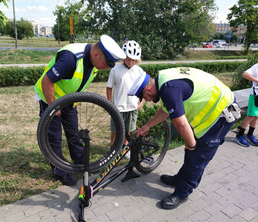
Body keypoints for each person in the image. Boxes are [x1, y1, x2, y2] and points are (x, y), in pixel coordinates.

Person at [128, 67, 240, 209]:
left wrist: (191, 144)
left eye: (145, 97)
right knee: (191, 149)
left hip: (222, 114)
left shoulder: (168, 89)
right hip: (216, 108)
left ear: (149, 90)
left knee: (198, 156)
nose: (147, 100)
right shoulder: (163, 81)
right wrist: (147, 126)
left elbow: (180, 124)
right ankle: (180, 178)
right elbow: (166, 109)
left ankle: (182, 193)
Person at [34, 35, 126, 186]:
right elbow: (47, 81)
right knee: (54, 137)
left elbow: (79, 80)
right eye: (106, 63)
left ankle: (81, 163)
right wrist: (53, 106)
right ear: (96, 54)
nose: (106, 68)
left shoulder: (94, 61)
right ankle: (60, 171)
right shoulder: (71, 58)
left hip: (69, 100)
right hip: (50, 96)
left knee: (74, 133)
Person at [106, 40, 144, 159]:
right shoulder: (115, 70)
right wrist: (109, 102)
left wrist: (141, 103)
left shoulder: (139, 71)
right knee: (115, 129)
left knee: (128, 131)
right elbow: (109, 87)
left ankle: (125, 148)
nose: (131, 62)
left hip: (132, 107)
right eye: (128, 59)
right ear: (124, 57)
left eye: (134, 60)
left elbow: (143, 88)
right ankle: (113, 148)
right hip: (118, 107)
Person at [236, 63, 258, 147]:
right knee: (251, 116)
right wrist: (257, 80)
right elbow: (245, 74)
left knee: (256, 116)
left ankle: (250, 134)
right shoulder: (257, 66)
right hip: (255, 95)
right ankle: (240, 135)